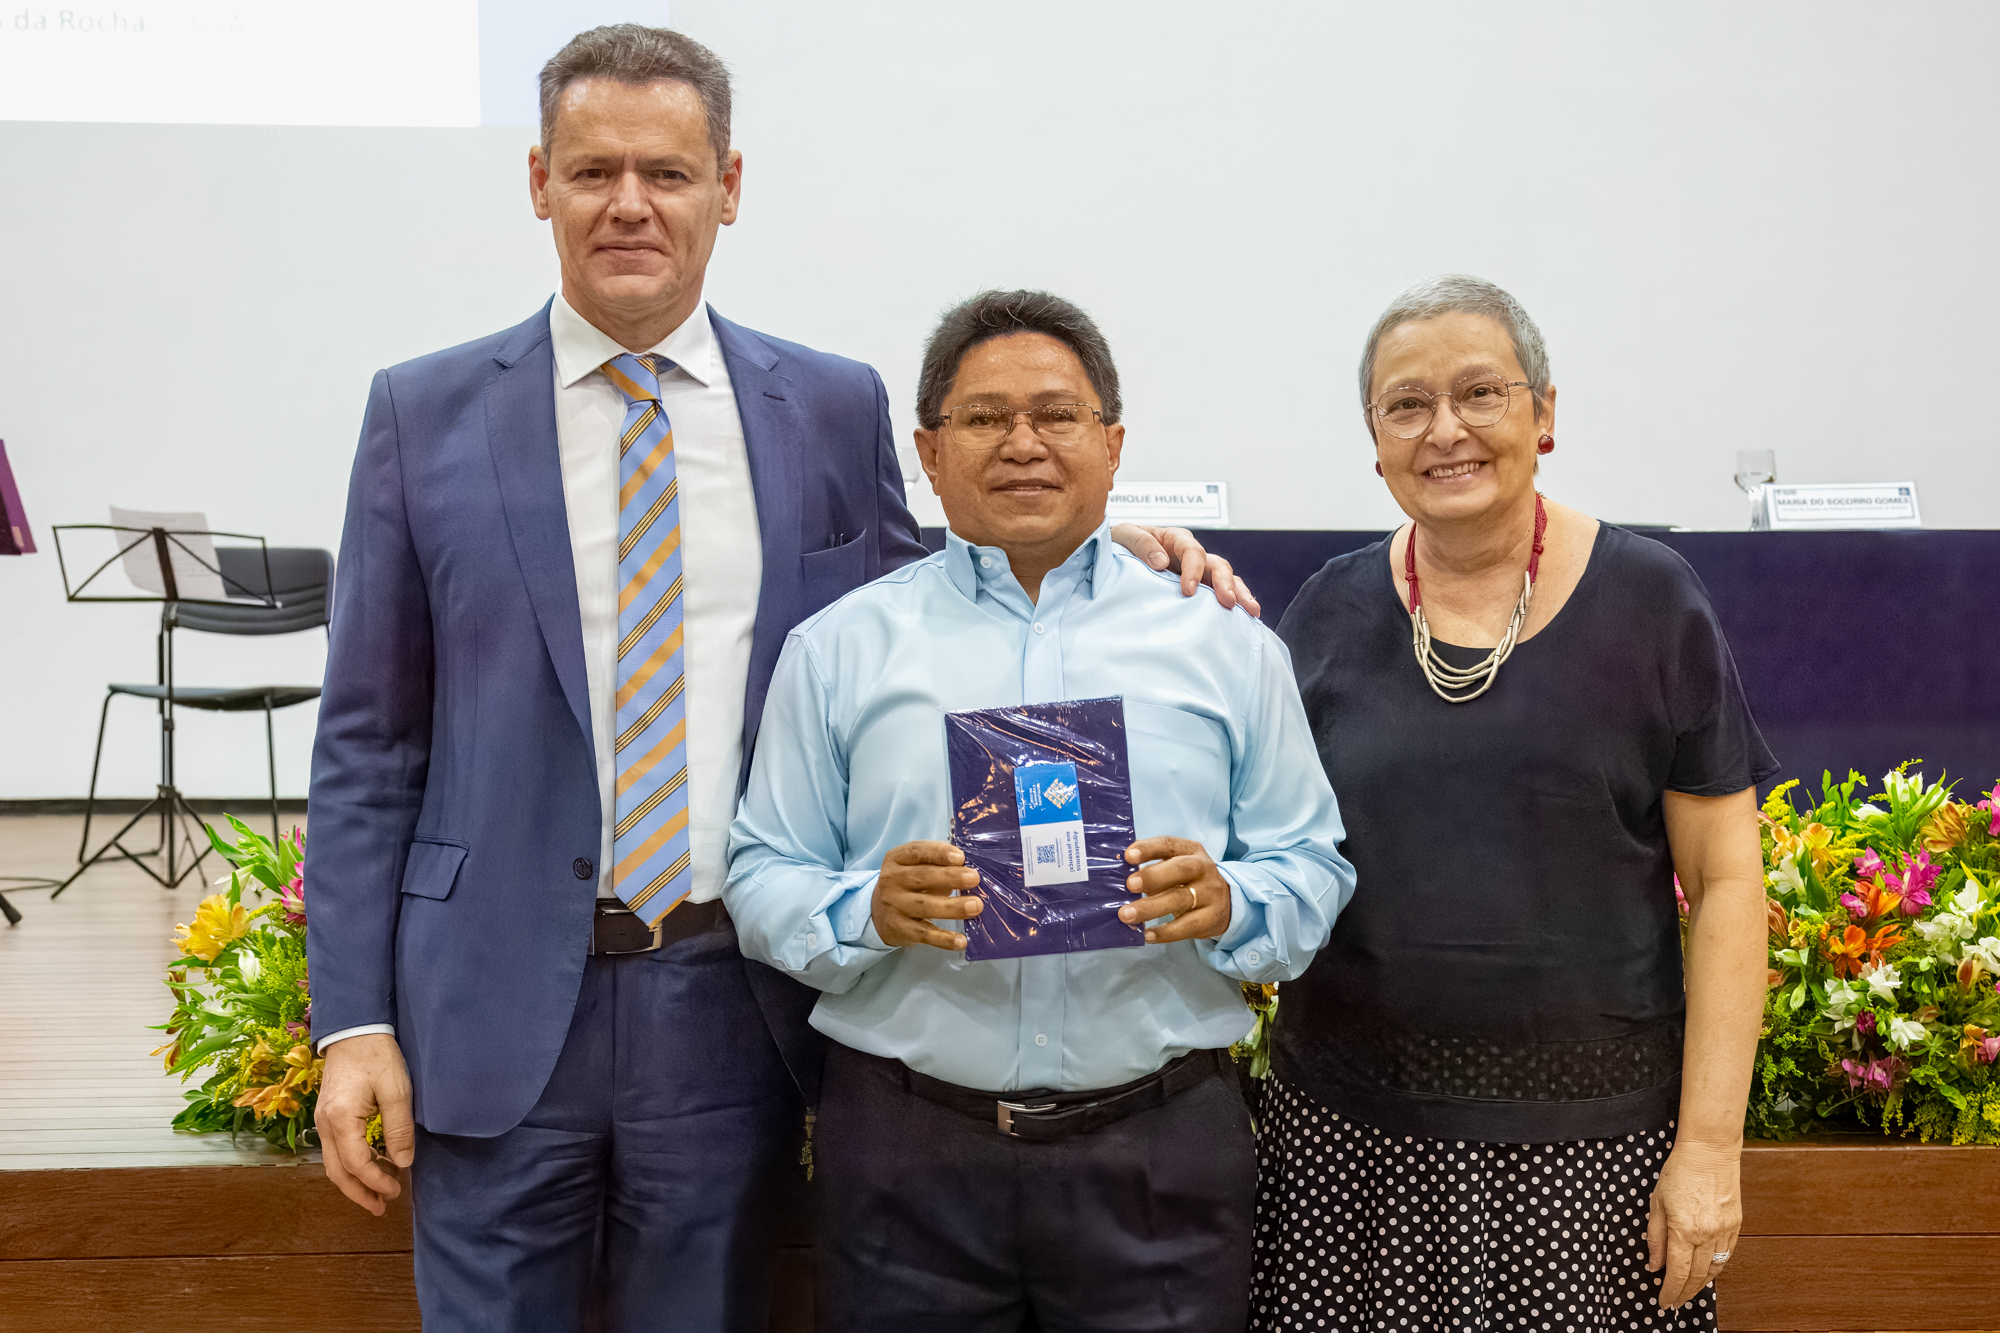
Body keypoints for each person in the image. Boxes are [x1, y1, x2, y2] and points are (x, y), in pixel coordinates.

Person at [304, 28, 1248, 1333]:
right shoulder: (424, 413)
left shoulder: (830, 407)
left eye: (666, 173)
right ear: (538, 183)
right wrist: (352, 1021)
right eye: (593, 171)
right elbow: (368, 742)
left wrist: (1098, 546)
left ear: (728, 187)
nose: (629, 203)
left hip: (726, 1006)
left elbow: (941, 606)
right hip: (489, 1002)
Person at [725, 288, 1356, 1333]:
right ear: (929, 454)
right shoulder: (838, 651)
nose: (1023, 442)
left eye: (1057, 414)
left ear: (1113, 445)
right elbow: (761, 875)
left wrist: (1230, 901)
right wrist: (865, 910)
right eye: (984, 417)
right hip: (909, 1156)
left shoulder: (1225, 643)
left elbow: (1312, 865)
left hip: (1156, 1154)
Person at [1250, 275, 1774, 1332]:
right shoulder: (1326, 611)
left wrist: (1710, 1149)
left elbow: (1725, 881)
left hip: (1596, 1152)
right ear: (1375, 442)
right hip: (1348, 1142)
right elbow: (1263, 847)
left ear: (1544, 413)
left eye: (1480, 392)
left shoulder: (1651, 601)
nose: (1444, 429)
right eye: (1406, 404)